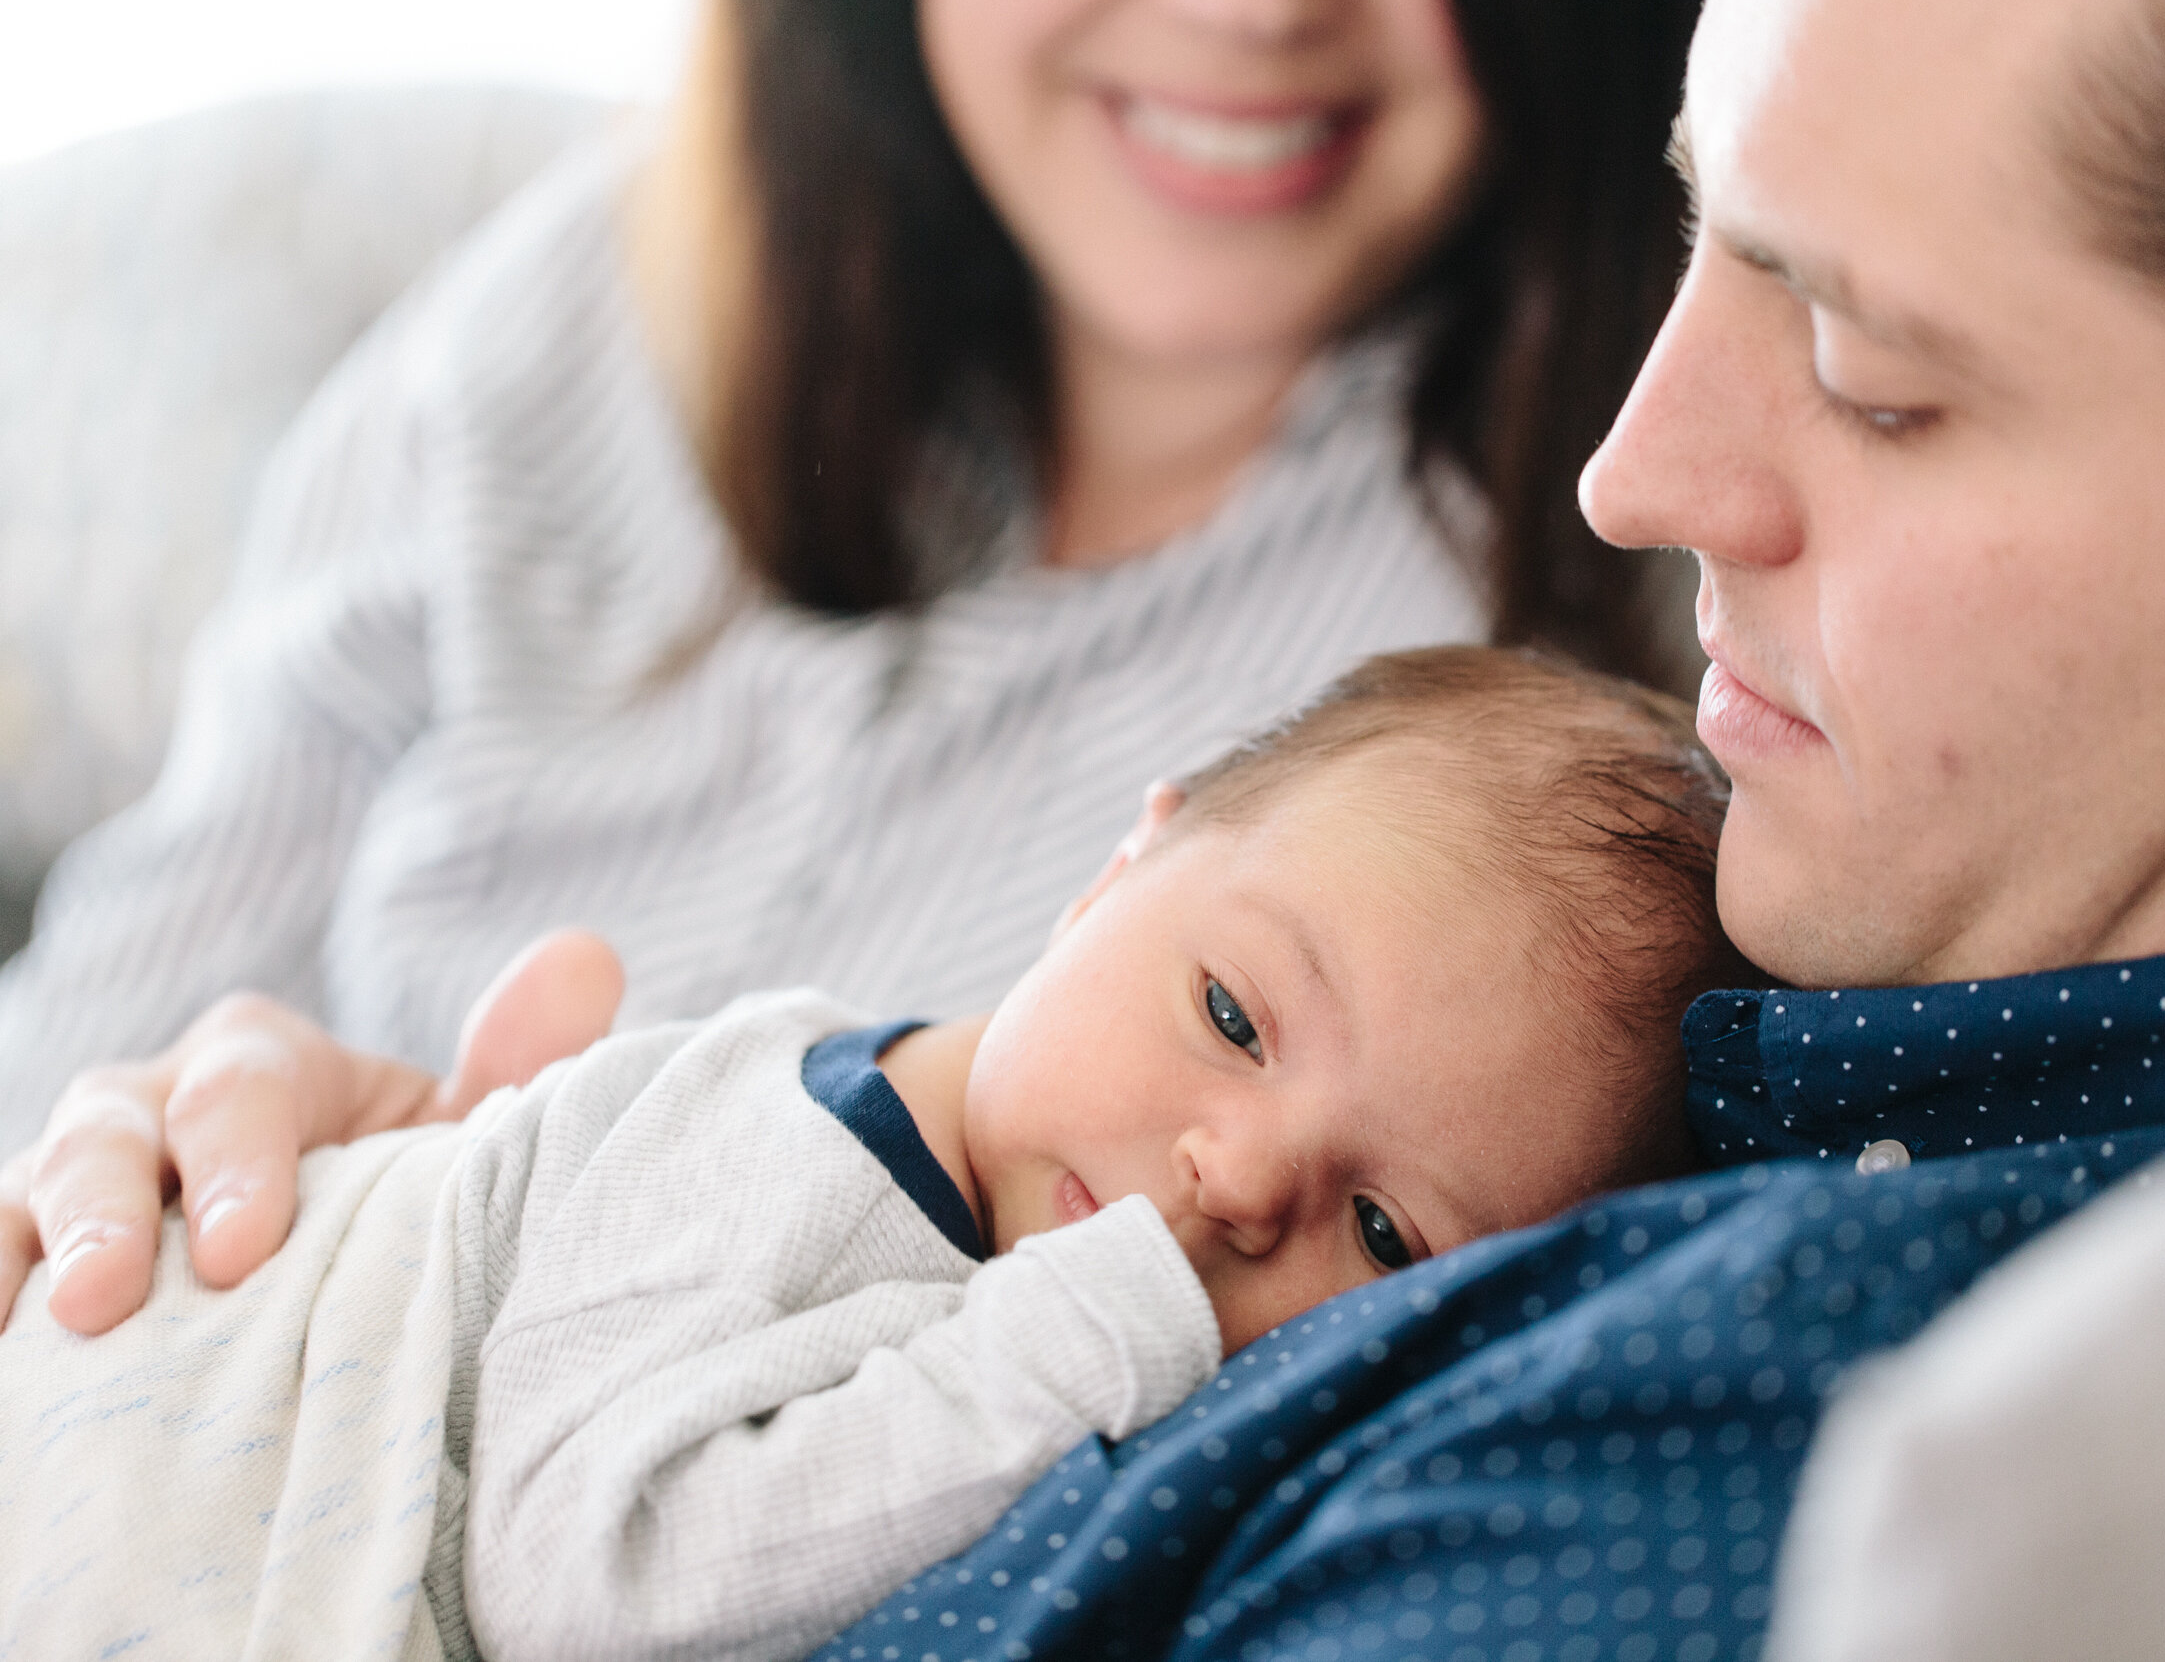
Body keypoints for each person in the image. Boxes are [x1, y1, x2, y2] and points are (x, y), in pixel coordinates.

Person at [11, 0, 2165, 1655]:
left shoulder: (1827, 1331)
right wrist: (344, 1216)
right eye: (1699, 242)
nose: (1647, 476)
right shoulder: (1904, 858)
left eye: (1864, 371)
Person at [0, 0, 1703, 1314]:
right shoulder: (571, 317)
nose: (1255, 12)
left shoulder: (1631, 690)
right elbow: (88, 1039)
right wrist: (157, 1159)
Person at [0, 648, 1739, 1662]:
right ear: (1119, 873)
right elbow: (590, 1585)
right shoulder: (810, 1150)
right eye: (1229, 1013)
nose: (1236, 1178)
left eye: (1380, 1226)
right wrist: (1088, 1331)